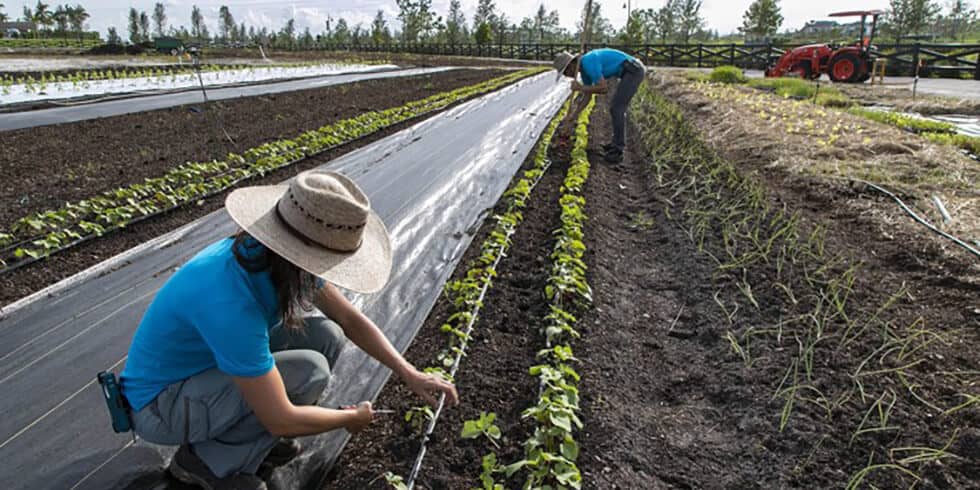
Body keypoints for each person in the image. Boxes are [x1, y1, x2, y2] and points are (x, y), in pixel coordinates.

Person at [120, 171, 459, 490]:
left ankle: (248, 439)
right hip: (161, 406)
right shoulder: (228, 299)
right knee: (308, 372)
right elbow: (282, 418)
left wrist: (409, 372)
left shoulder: (272, 258)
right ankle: (207, 465)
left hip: (202, 373)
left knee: (326, 336)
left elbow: (350, 320)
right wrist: (347, 419)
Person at [554, 48, 648, 164]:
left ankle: (618, 150)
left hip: (634, 71)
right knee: (616, 108)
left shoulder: (588, 62)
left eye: (565, 72)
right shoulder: (584, 71)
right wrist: (573, 116)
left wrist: (580, 88)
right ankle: (615, 144)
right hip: (627, 71)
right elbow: (587, 96)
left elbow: (603, 88)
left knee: (617, 108)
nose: (566, 76)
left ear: (571, 66)